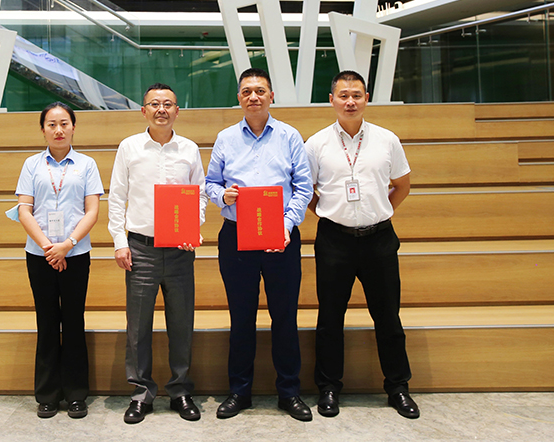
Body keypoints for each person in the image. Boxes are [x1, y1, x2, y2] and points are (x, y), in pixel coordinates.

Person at [305, 70, 419, 420]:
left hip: (379, 240)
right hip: (334, 241)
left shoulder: (387, 139)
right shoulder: (317, 144)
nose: (350, 102)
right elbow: (306, 192)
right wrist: (330, 213)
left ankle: (398, 387)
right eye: (343, 96)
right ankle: (328, 388)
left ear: (366, 98)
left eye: (356, 95)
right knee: (329, 318)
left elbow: (402, 185)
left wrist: (380, 211)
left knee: (387, 317)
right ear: (332, 100)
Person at [205, 67, 314, 422]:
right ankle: (239, 391)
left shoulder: (289, 136)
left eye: (260, 91)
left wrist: (286, 224)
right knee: (241, 318)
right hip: (237, 236)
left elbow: (303, 187)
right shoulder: (225, 138)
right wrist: (223, 195)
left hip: (281, 237)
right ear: (239, 98)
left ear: (271, 96)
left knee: (285, 316)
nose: (253, 96)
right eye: (247, 91)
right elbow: (210, 184)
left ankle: (289, 392)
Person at [108, 83, 207, 424]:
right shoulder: (129, 147)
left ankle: (180, 391)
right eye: (154, 104)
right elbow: (117, 196)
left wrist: (192, 228)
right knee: (138, 327)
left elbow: (200, 195)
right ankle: (141, 394)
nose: (161, 109)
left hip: (180, 250)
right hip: (141, 249)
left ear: (177, 110)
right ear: (144, 111)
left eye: (168, 104)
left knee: (181, 323)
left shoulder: (189, 149)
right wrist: (119, 241)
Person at [13, 102, 103, 419]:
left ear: (73, 127)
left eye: (64, 123)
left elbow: (92, 210)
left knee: (74, 322)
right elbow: (24, 209)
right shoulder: (31, 165)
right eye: (51, 124)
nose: (58, 130)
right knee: (47, 322)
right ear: (43, 130)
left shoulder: (87, 164)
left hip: (75, 254)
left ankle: (76, 394)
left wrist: (66, 245)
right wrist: (48, 246)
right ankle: (48, 395)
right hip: (39, 255)